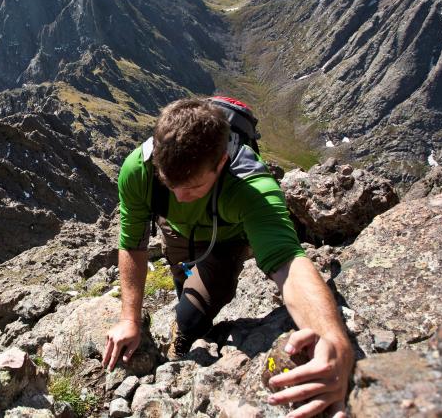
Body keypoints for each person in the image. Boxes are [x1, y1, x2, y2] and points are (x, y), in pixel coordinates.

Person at [102, 97, 353, 418]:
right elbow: (133, 243)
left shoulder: (250, 186)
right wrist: (129, 319)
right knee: (185, 293)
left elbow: (287, 263)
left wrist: (334, 341)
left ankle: (191, 324)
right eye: (170, 182)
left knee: (193, 314)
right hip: (177, 236)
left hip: (227, 240)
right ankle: (192, 320)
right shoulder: (138, 170)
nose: (180, 196)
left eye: (193, 187)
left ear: (221, 163)